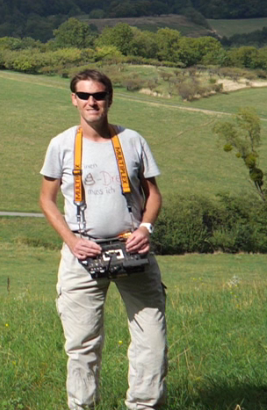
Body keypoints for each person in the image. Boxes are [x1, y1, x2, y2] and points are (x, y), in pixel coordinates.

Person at [39, 69, 166, 410]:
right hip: (83, 253)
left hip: (133, 249)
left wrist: (145, 229)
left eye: (98, 95)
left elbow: (153, 195)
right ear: (73, 100)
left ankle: (144, 405)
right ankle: (82, 406)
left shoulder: (133, 140)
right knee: (82, 343)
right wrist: (71, 240)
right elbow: (46, 200)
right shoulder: (61, 144)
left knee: (152, 339)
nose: (91, 102)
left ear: (110, 98)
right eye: (84, 95)